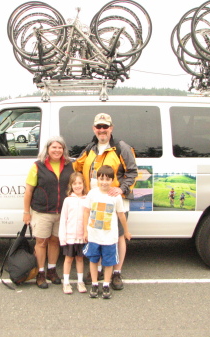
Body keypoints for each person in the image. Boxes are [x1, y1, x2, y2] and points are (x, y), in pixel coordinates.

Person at [74, 112, 138, 291]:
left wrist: (122, 189)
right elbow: (77, 166)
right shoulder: (90, 148)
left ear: (111, 128)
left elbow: (132, 172)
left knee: (116, 236)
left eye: (105, 127)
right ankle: (99, 270)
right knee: (98, 234)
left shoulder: (121, 147)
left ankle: (116, 272)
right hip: (94, 200)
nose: (102, 130)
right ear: (94, 129)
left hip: (114, 200)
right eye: (98, 127)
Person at [23, 136, 74, 289]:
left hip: (62, 212)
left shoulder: (70, 166)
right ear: (47, 149)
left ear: (64, 150)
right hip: (42, 212)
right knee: (41, 242)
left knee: (55, 241)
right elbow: (29, 191)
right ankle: (40, 273)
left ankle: (52, 270)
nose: (57, 150)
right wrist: (26, 212)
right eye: (54, 147)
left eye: (60, 147)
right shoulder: (37, 166)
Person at [83, 165, 131, 299]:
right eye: (101, 178)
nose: (104, 182)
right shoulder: (92, 193)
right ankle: (94, 284)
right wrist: (85, 231)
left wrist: (126, 231)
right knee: (93, 260)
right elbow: (86, 212)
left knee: (109, 262)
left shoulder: (116, 196)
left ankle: (105, 285)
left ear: (112, 180)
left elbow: (121, 215)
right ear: (97, 179)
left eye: (107, 179)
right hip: (94, 235)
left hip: (109, 237)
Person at [59, 172, 88, 294]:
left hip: (82, 237)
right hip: (70, 237)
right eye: (74, 183)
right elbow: (63, 219)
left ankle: (80, 282)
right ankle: (66, 283)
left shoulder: (87, 200)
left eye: (79, 183)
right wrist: (62, 237)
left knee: (80, 259)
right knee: (69, 259)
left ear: (83, 184)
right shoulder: (67, 200)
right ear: (71, 185)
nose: (77, 186)